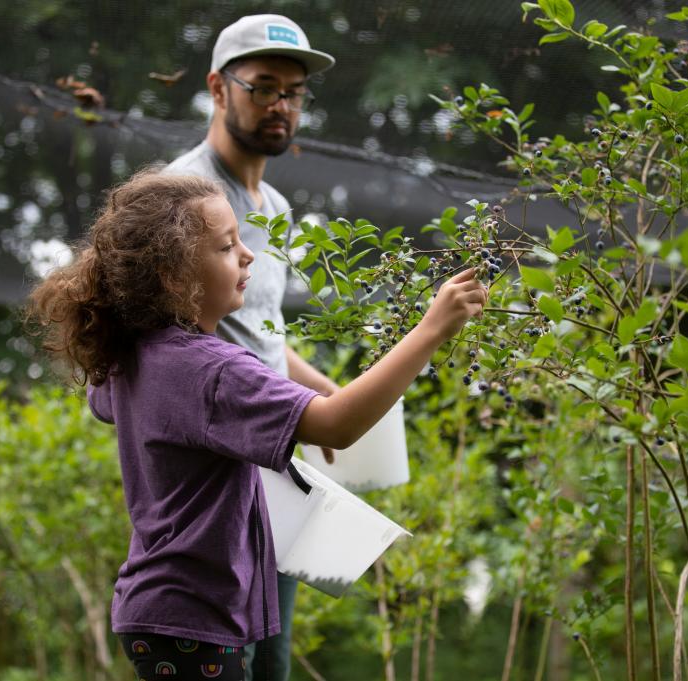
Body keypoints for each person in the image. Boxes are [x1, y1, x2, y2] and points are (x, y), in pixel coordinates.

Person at [27, 169, 488, 681]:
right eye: (226, 248)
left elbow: (107, 402)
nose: (247, 256)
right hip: (192, 618)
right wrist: (431, 329)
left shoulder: (135, 356)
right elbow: (335, 426)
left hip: (163, 609)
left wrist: (281, 409)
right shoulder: (210, 370)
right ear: (174, 277)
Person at [164, 15, 337, 679]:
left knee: (274, 657)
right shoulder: (182, 197)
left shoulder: (277, 210)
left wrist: (318, 393)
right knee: (215, 652)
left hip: (273, 460)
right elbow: (169, 343)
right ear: (217, 86)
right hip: (214, 472)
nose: (280, 105)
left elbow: (258, 329)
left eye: (293, 92)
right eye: (263, 86)